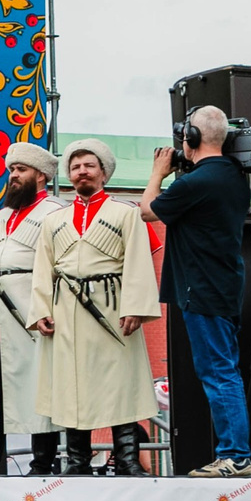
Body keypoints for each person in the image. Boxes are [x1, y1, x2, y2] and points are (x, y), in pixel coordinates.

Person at [35, 139, 162, 476]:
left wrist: (134, 306)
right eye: (75, 167)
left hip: (112, 307)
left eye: (89, 165)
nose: (81, 172)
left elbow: (138, 261)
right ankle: (77, 462)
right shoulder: (53, 220)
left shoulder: (126, 213)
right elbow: (43, 267)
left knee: (121, 383)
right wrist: (41, 310)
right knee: (72, 385)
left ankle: (127, 461)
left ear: (103, 173)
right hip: (66, 313)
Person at [143, 105, 251, 477]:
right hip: (223, 285)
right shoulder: (234, 176)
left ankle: (235, 457)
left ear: (190, 138)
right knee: (225, 370)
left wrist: (159, 172)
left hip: (201, 290)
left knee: (218, 372)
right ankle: (235, 454)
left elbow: (148, 210)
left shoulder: (195, 183)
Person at [0, 143, 67, 475]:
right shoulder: (0, 217)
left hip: (33, 309)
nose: (13, 176)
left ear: (40, 175)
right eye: (11, 170)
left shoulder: (55, 210)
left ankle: (42, 464)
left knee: (38, 388)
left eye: (20, 170)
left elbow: (63, 264)